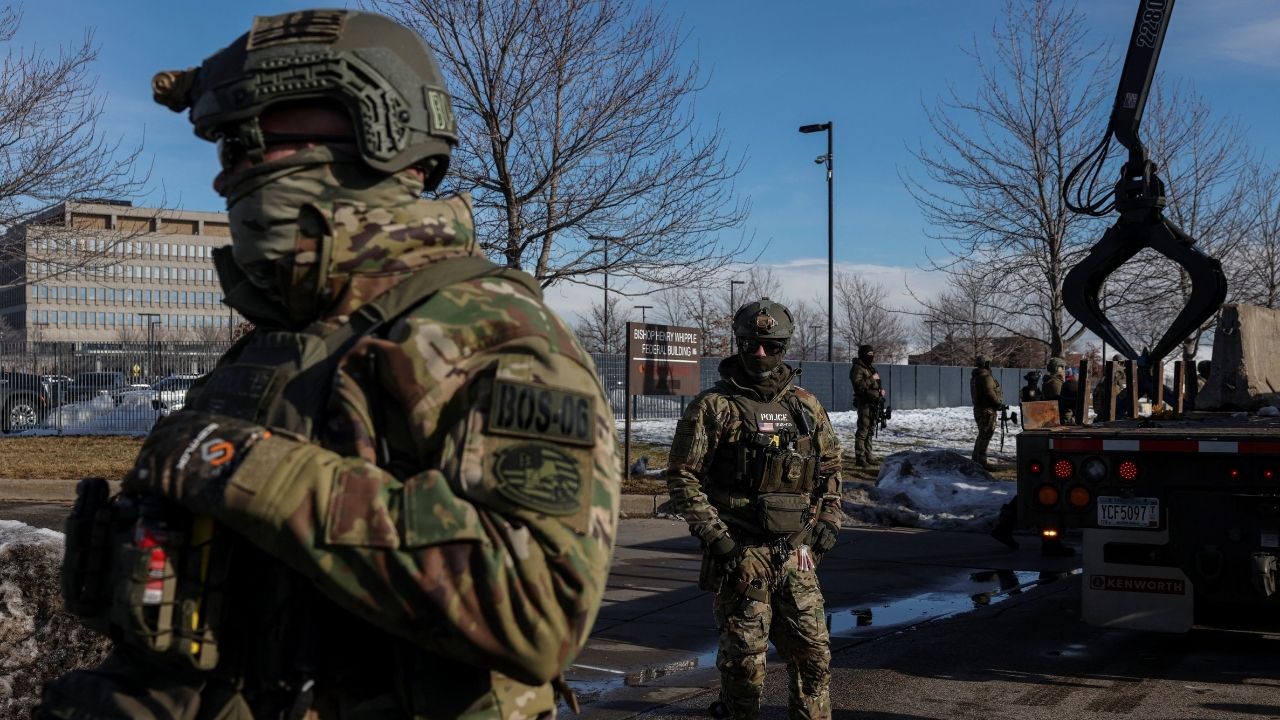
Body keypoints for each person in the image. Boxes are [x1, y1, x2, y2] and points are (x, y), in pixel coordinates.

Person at [40, 10, 621, 719]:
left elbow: (538, 611)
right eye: (227, 143)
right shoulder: (275, 342)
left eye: (263, 131)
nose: (236, 168)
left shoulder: (486, 332)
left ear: (378, 126)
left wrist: (244, 469)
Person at [666, 297, 843, 720]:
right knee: (745, 667)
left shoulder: (805, 406)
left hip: (797, 552)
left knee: (815, 657)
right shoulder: (714, 407)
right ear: (739, 344)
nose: (760, 354)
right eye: (751, 344)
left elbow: (831, 469)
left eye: (771, 346)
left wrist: (830, 522)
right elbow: (682, 477)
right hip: (743, 554)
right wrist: (720, 542)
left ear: (785, 346)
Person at [849, 343, 885, 467]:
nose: (871, 356)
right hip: (864, 403)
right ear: (863, 355)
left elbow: (874, 383)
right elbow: (858, 385)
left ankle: (868, 454)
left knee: (870, 430)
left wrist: (880, 391)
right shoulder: (858, 368)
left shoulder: (869, 367)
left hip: (873, 403)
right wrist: (872, 378)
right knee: (863, 430)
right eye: (869, 354)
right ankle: (860, 457)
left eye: (872, 354)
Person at [970, 354, 1005, 470]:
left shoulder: (975, 377)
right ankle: (981, 461)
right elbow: (990, 393)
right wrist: (998, 403)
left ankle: (976, 459)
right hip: (987, 410)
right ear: (986, 364)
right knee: (985, 435)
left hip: (979, 409)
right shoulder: (986, 377)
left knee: (982, 434)